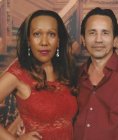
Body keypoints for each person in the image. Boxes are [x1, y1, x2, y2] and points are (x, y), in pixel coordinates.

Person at [0, 9, 77, 140]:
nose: (44, 42)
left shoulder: (65, 69)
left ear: (58, 40)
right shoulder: (19, 72)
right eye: (37, 34)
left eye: (51, 34)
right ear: (28, 40)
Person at [74, 7, 118, 140]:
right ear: (83, 39)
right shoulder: (75, 75)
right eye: (92, 33)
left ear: (115, 39)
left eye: (105, 33)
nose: (98, 40)